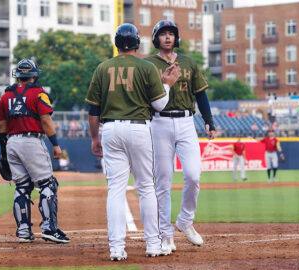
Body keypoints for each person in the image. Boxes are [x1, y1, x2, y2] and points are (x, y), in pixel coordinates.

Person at [85, 23, 180, 261]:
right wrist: (167, 84)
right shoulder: (147, 67)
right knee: (146, 187)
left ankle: (116, 248)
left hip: (111, 129)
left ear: (116, 43)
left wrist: (94, 137)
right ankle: (153, 245)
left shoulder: (102, 68)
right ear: (137, 43)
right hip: (138, 128)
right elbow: (159, 105)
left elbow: (93, 109)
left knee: (115, 189)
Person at [145, 20, 215, 251]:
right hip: (159, 123)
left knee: (194, 175)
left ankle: (185, 221)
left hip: (186, 122)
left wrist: (209, 121)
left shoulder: (188, 62)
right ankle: (166, 234)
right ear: (156, 38)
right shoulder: (147, 64)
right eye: (163, 34)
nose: (167, 37)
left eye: (171, 34)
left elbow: (201, 95)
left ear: (176, 38)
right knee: (162, 182)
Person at [0, 58, 69, 244]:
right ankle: (48, 228)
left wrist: (3, 152)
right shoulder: (39, 94)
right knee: (47, 184)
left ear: (18, 76)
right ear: (34, 75)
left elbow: (2, 126)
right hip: (31, 141)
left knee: (22, 187)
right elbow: (46, 121)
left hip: (11, 142)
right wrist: (55, 144)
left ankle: (23, 231)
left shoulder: (5, 96)